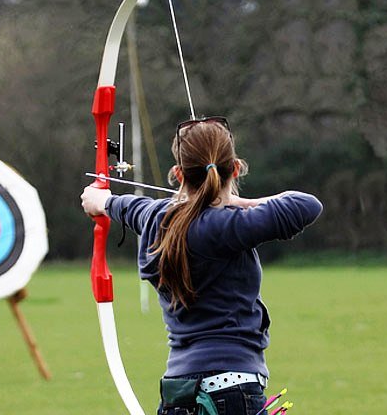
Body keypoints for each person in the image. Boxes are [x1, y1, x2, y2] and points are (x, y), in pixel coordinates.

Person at [81, 116, 323, 415]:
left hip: (177, 391)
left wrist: (101, 199)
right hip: (233, 389)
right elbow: (306, 205)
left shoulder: (155, 217)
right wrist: (240, 202)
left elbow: (119, 205)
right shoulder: (227, 226)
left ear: (177, 173)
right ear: (234, 169)